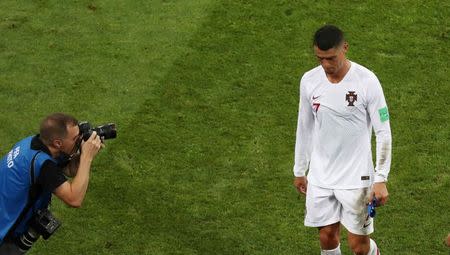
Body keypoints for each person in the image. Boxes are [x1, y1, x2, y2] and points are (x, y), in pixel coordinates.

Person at [293, 25, 392, 255]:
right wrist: (300, 169)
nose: (326, 65)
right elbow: (304, 126)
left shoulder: (367, 81)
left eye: (331, 58)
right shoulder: (309, 81)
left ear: (345, 48)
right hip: (321, 176)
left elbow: (383, 131)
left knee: (359, 247)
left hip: (357, 178)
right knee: (326, 237)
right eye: (320, 59)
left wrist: (381, 178)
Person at [0, 113, 103, 254]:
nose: (79, 140)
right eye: (75, 138)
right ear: (58, 143)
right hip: (5, 233)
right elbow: (74, 199)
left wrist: (81, 154)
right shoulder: (44, 165)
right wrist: (86, 157)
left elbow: (68, 170)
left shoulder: (32, 143)